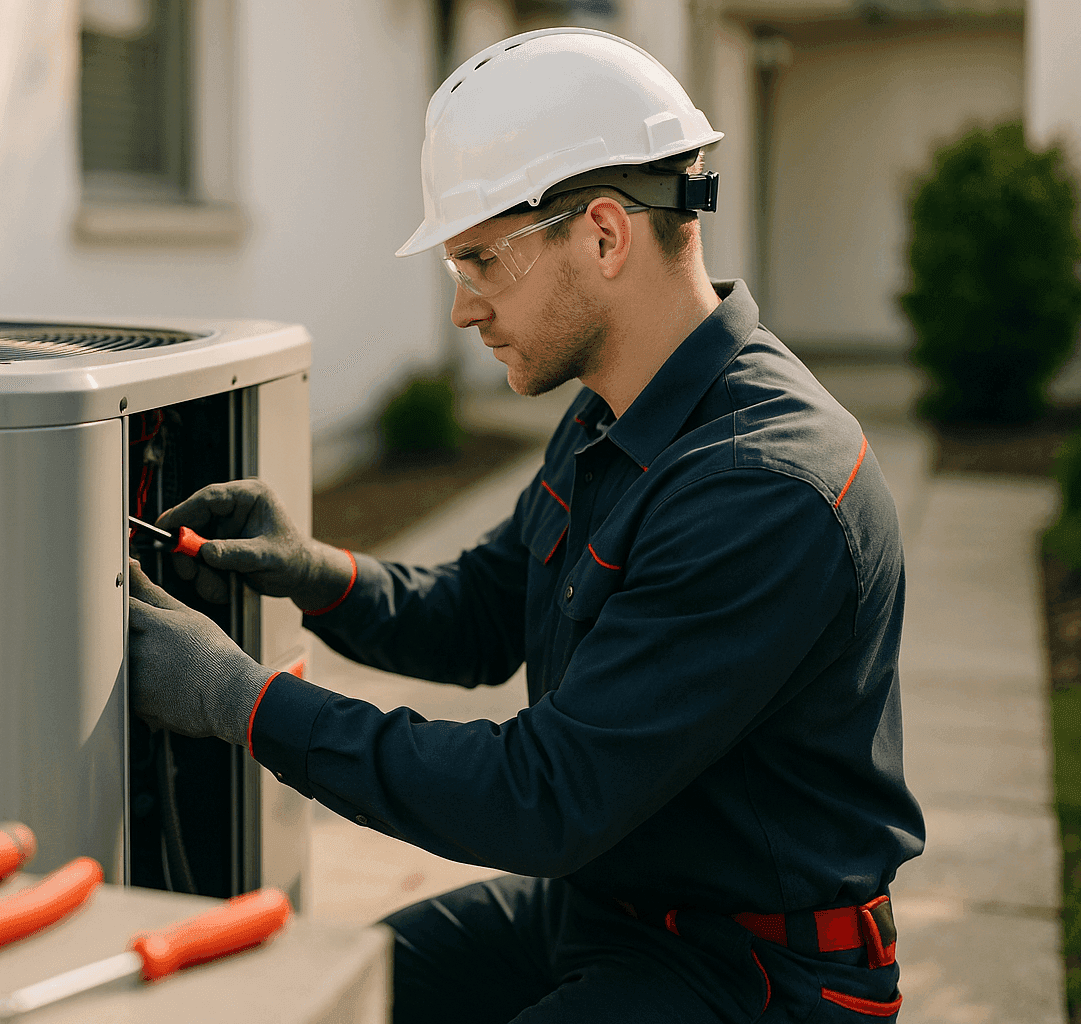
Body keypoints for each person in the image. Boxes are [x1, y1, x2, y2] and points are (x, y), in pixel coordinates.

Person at [127, 27, 923, 1023]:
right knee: (312, 999)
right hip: (608, 908)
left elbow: (541, 796)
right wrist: (316, 571)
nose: (462, 309)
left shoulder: (765, 489)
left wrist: (240, 701)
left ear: (602, 234)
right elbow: (479, 611)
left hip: (755, 971)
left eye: (478, 262)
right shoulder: (613, 412)